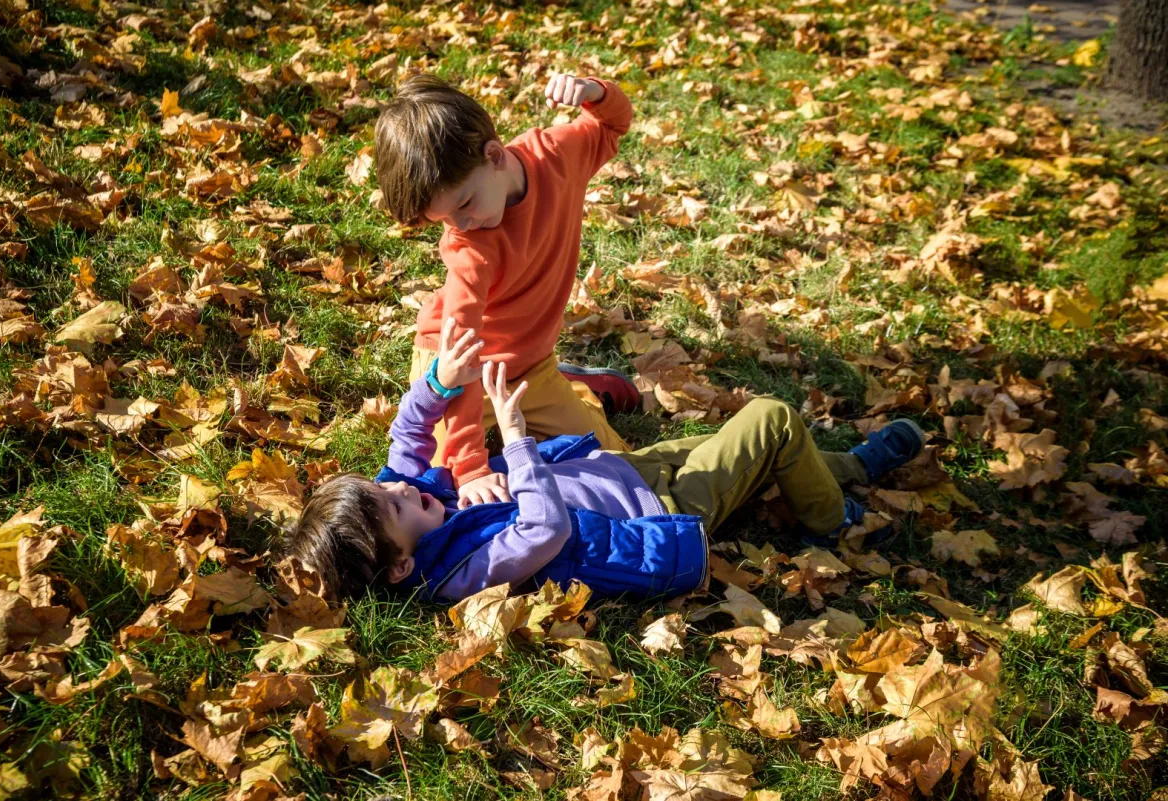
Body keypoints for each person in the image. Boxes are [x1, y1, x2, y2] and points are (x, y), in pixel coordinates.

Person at [286, 323, 926, 604]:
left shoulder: (423, 511)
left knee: (753, 445)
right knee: (772, 420)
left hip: (622, 473)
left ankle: (846, 468)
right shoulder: (460, 568)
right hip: (661, 515)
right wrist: (514, 442)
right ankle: (833, 523)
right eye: (394, 505)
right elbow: (545, 531)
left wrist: (440, 381)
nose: (403, 487)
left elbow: (406, 440)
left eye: (386, 487)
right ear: (401, 563)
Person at [373, 71, 641, 510]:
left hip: (529, 365)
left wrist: (594, 92)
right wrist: (472, 467)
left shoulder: (557, 155)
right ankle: (547, 398)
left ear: (495, 156)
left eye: (464, 204)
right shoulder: (467, 250)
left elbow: (612, 125)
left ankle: (576, 388)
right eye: (443, 219)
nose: (459, 226)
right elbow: (457, 367)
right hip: (457, 372)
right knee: (442, 488)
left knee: (613, 463)